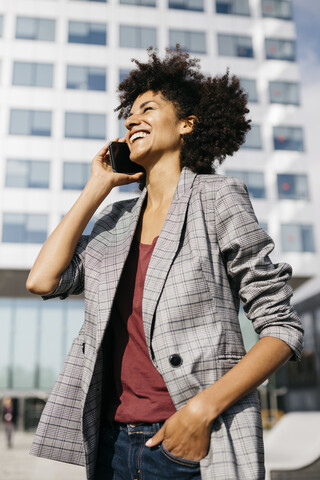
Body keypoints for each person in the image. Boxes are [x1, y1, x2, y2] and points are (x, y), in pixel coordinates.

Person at [27, 47, 303, 480]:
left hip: (189, 438)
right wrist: (97, 186)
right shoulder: (115, 221)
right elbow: (43, 280)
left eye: (148, 109)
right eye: (129, 114)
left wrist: (199, 412)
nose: (132, 120)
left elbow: (282, 327)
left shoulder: (218, 198)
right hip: (112, 443)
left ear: (187, 124)